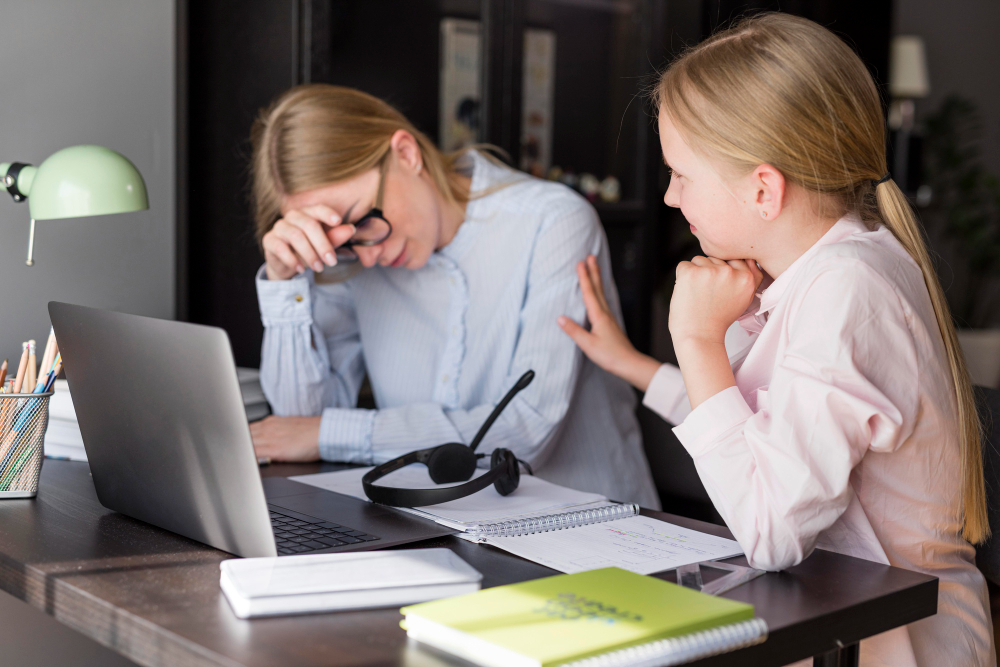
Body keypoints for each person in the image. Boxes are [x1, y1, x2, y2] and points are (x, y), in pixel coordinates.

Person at [558, 13, 994, 666]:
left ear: (764, 189)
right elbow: (762, 429)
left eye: (682, 173)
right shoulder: (827, 267)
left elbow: (770, 530)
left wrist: (697, 338)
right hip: (840, 627)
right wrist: (637, 365)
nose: (671, 196)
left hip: (895, 647)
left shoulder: (846, 289)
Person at [247, 84, 659, 509]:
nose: (368, 257)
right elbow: (295, 424)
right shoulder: (351, 260)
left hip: (593, 532)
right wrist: (285, 282)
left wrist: (329, 435)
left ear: (406, 154)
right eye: (344, 243)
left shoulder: (553, 222)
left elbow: (524, 434)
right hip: (432, 528)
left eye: (363, 220)